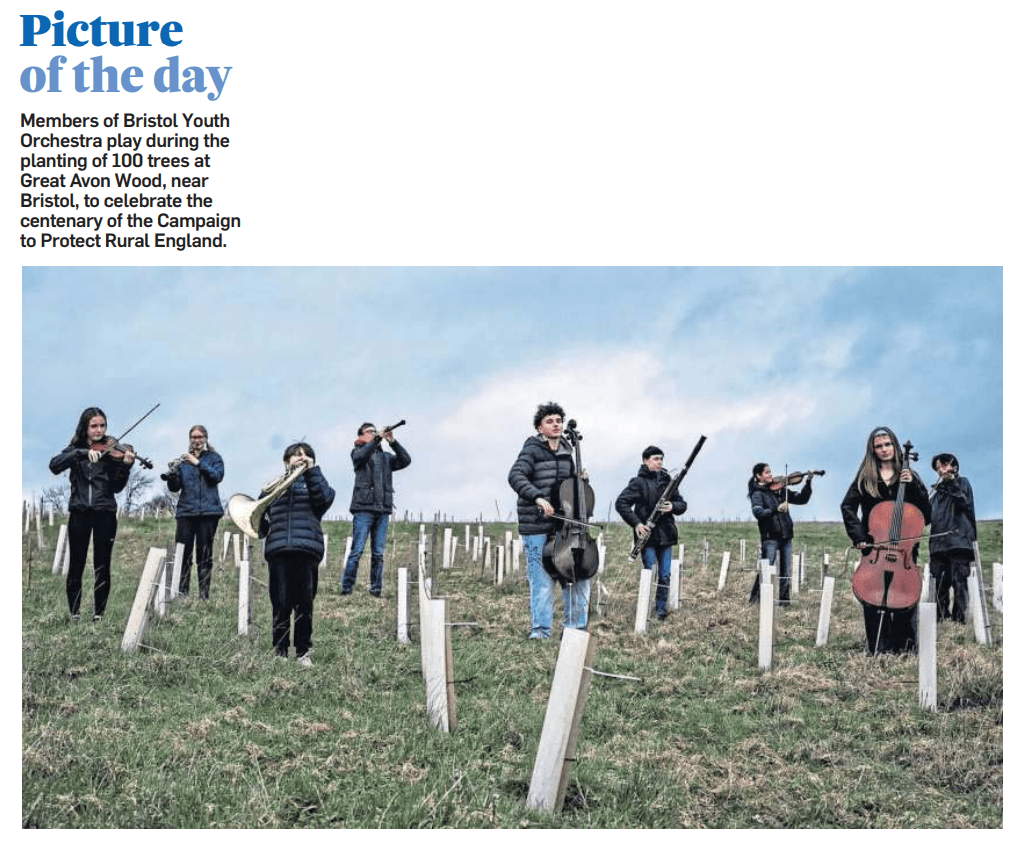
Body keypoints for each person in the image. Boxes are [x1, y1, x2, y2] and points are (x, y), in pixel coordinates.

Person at [840, 426, 931, 654]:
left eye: (887, 444)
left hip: (904, 549)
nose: (884, 449)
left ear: (895, 446)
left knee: (904, 596)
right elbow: (847, 506)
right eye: (878, 446)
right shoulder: (866, 477)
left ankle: (905, 649)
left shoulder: (909, 476)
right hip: (875, 547)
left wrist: (916, 486)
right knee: (872, 598)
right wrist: (859, 536)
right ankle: (878, 648)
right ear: (872, 450)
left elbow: (927, 514)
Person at [508, 401, 592, 639]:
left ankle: (575, 629)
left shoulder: (568, 451)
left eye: (558, 421)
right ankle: (540, 632)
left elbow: (569, 490)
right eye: (549, 421)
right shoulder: (531, 450)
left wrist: (580, 479)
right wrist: (537, 498)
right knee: (542, 580)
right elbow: (515, 476)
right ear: (539, 427)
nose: (555, 425)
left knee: (576, 575)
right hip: (536, 525)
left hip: (564, 525)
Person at [49, 407, 135, 621]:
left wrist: (125, 467)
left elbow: (117, 487)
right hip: (79, 512)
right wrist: (82, 453)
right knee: (76, 564)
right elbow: (54, 465)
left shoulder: (112, 449)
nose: (99, 430)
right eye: (94, 426)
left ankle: (99, 614)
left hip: (105, 512)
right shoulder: (74, 449)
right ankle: (75, 613)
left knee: (102, 564)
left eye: (102, 426)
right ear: (85, 427)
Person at [259, 442, 335, 666]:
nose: (300, 458)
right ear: (286, 461)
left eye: (304, 455)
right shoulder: (272, 486)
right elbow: (259, 517)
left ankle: (303, 652)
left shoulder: (315, 483)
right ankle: (280, 651)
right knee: (280, 603)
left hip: (306, 551)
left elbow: (324, 500)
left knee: (304, 605)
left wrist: (312, 471)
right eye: (295, 455)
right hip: (279, 550)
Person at [615, 446, 687, 620]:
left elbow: (682, 504)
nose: (659, 462)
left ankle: (660, 610)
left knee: (665, 574)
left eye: (661, 458)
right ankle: (644, 609)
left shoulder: (668, 481)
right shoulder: (638, 482)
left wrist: (673, 507)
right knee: (650, 572)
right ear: (645, 460)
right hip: (647, 537)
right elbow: (621, 503)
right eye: (655, 458)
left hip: (666, 535)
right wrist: (637, 524)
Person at [340, 422, 411, 598]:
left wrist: (392, 441)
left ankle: (376, 589)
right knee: (356, 551)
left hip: (382, 510)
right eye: (370, 432)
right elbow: (362, 456)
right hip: (363, 509)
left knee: (378, 553)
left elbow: (405, 460)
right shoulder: (357, 453)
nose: (374, 433)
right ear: (361, 436)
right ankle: (347, 588)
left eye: (375, 431)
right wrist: (377, 438)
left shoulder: (386, 457)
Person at [163, 425, 224, 599]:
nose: (196, 441)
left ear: (206, 438)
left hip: (208, 513)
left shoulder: (214, 458)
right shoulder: (183, 461)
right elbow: (174, 488)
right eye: (193, 437)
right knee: (183, 554)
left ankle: (204, 595)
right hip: (186, 513)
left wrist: (198, 462)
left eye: (200, 437)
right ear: (190, 439)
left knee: (204, 554)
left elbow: (216, 476)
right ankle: (183, 594)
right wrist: (173, 473)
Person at [747, 463, 814, 605]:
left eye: (770, 471)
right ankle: (755, 601)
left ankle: (784, 603)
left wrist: (808, 482)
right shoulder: (757, 494)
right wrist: (776, 509)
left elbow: (802, 499)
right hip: (770, 537)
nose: (770, 475)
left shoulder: (781, 490)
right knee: (767, 569)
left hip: (786, 535)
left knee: (786, 573)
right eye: (766, 473)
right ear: (758, 476)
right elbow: (758, 513)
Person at [928, 452, 978, 623]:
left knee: (959, 583)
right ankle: (941, 619)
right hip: (937, 546)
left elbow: (964, 503)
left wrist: (952, 482)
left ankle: (960, 620)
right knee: (939, 585)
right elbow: (927, 517)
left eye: (944, 465)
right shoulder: (934, 494)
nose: (941, 469)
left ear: (953, 466)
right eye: (938, 467)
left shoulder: (963, 483)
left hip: (959, 543)